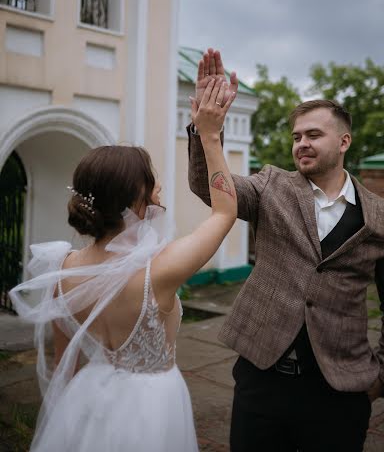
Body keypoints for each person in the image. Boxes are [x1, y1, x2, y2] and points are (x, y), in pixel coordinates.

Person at [187, 48, 384, 452]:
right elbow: (208, 187)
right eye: (296, 136)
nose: (301, 143)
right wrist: (203, 129)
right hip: (261, 379)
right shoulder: (271, 186)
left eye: (313, 135)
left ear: (344, 141)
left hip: (341, 389)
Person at [10, 78, 237, 452]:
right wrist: (210, 137)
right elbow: (226, 211)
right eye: (153, 181)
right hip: (152, 405)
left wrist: (74, 421)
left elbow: (64, 366)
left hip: (88, 399)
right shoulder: (160, 272)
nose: (159, 188)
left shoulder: (62, 270)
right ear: (137, 197)